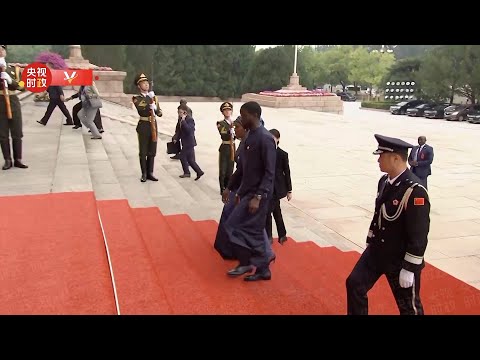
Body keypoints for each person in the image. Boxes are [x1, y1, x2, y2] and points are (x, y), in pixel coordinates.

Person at [346, 134, 430, 315]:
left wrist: (409, 268)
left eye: (381, 156)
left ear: (395, 158)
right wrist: (370, 239)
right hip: (377, 252)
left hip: (400, 259)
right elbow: (379, 214)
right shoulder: (384, 182)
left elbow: (419, 234)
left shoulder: (414, 191)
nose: (378, 160)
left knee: (409, 307)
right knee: (354, 284)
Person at [223, 101, 277, 282]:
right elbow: (243, 169)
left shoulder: (265, 138)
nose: (241, 118)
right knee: (247, 229)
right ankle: (263, 267)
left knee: (236, 227)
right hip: (247, 193)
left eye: (244, 115)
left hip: (258, 196)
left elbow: (270, 172)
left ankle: (248, 262)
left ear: (254, 115)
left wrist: (258, 197)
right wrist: (234, 190)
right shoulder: (250, 137)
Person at [0, 45, 28, 170]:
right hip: (0, 102)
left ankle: (18, 159)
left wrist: (11, 81)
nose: (1, 51)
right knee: (3, 133)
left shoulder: (14, 69)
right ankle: (7, 160)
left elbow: (23, 86)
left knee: (17, 132)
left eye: (2, 49)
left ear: (5, 52)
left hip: (13, 101)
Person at [132, 73, 162, 182]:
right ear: (139, 86)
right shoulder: (136, 98)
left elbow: (159, 112)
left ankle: (150, 172)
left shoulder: (154, 97)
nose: (146, 85)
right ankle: (144, 173)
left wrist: (156, 108)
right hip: (144, 125)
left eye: (147, 83)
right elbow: (142, 109)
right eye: (143, 83)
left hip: (153, 125)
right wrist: (150, 100)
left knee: (152, 151)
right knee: (143, 151)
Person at [266, 129, 292, 245]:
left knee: (269, 212)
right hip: (267, 187)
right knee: (276, 211)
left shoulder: (282, 154)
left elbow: (287, 172)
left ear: (278, 140)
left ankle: (269, 236)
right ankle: (282, 235)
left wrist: (289, 190)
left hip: (277, 188)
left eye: (273, 138)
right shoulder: (265, 152)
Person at [36, 62, 73, 126]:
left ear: (50, 66)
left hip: (56, 95)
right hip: (54, 95)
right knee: (62, 108)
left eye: (46, 66)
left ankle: (44, 121)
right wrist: (44, 94)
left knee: (51, 109)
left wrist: (61, 94)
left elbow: (57, 84)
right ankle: (69, 120)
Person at [177, 103, 204, 181]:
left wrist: (184, 121)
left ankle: (187, 172)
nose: (179, 114)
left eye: (180, 112)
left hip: (189, 143)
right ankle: (199, 171)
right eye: (178, 112)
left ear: (185, 112)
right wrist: (176, 138)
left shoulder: (189, 119)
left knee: (182, 157)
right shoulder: (181, 119)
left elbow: (189, 130)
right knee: (191, 159)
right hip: (185, 142)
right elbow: (180, 130)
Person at [217, 102, 235, 195]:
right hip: (225, 147)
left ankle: (229, 187)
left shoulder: (235, 123)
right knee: (223, 169)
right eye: (225, 110)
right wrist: (230, 130)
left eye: (229, 110)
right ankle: (222, 188)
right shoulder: (220, 123)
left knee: (230, 169)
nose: (227, 112)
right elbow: (223, 134)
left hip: (233, 147)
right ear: (222, 112)